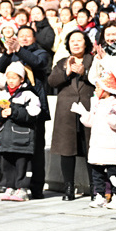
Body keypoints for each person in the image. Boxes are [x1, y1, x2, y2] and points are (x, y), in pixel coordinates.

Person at [48, 30, 96, 200]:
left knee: (91, 148)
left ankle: (94, 187)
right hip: (66, 112)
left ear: (86, 43)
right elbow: (52, 82)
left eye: (79, 40)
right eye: (72, 41)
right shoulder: (62, 62)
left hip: (89, 108)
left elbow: (102, 80)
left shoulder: (93, 60)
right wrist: (66, 72)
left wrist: (85, 72)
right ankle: (68, 187)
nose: (75, 43)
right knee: (66, 150)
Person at [72, 72, 116, 209]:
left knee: (113, 173)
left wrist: (109, 115)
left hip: (111, 147)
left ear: (106, 89)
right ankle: (100, 195)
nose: (95, 90)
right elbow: (91, 122)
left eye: (97, 87)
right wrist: (83, 113)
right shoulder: (97, 104)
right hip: (97, 145)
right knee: (96, 173)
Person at [0, 62, 41, 202]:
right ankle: (9, 186)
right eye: (9, 77)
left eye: (15, 77)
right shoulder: (2, 94)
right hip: (6, 138)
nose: (11, 80)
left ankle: (22, 188)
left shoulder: (28, 94)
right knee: (7, 164)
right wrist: (1, 113)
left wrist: (14, 111)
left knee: (22, 164)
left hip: (23, 138)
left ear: (21, 79)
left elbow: (33, 114)